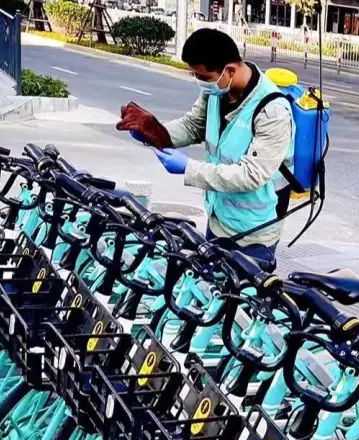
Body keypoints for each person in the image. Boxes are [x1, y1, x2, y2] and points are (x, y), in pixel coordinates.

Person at [119, 28, 294, 269]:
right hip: (218, 218)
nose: (200, 82)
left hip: (254, 233)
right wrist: (155, 133)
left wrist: (188, 168)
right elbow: (193, 126)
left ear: (229, 70)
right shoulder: (217, 91)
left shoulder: (273, 112)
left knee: (238, 292)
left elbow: (251, 175)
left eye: (203, 76)